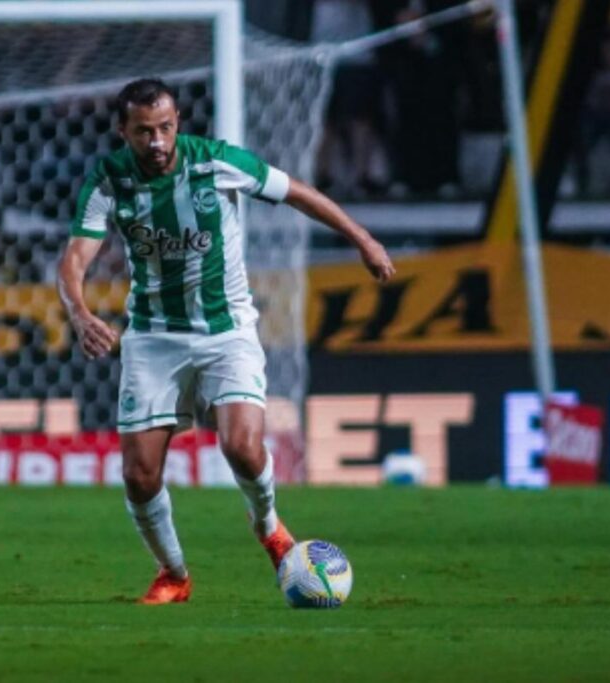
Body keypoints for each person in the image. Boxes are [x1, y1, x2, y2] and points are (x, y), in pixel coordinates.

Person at [57, 78, 395, 604]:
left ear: (177, 124)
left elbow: (297, 192)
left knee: (241, 445)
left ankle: (269, 527)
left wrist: (364, 239)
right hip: (152, 336)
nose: (157, 141)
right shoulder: (108, 180)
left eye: (165, 128)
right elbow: (75, 258)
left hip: (226, 331)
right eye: (143, 131)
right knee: (140, 475)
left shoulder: (216, 163)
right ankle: (174, 574)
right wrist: (79, 314)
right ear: (122, 130)